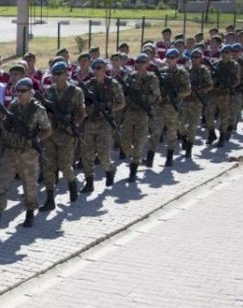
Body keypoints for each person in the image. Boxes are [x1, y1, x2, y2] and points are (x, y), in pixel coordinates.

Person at [0, 77, 52, 232]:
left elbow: (47, 130)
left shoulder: (38, 109)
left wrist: (35, 139)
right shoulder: (13, 106)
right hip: (10, 151)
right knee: (3, 184)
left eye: (24, 91)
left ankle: (30, 213)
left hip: (28, 153)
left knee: (29, 185)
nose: (20, 94)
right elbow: (4, 125)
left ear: (31, 92)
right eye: (18, 91)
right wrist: (7, 123)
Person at [39, 61, 85, 212]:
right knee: (48, 167)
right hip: (51, 134)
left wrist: (74, 126)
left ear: (67, 74)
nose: (57, 77)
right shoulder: (49, 92)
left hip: (66, 134)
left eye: (60, 74)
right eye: (55, 74)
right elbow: (43, 112)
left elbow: (81, 113)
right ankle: (50, 199)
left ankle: (72, 185)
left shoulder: (75, 91)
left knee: (65, 166)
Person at [79, 58, 125, 191]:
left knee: (103, 153)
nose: (97, 70)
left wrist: (109, 109)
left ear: (105, 69)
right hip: (90, 123)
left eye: (99, 68)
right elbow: (82, 104)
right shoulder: (88, 86)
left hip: (105, 123)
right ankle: (89, 182)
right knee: (86, 154)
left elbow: (121, 102)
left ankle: (109, 170)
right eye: (95, 68)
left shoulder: (113, 84)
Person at [119, 53, 160, 181]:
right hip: (130, 112)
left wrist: (144, 100)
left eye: (143, 62)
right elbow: (122, 93)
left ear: (147, 64)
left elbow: (157, 97)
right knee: (124, 143)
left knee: (138, 143)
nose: (140, 64)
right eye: (138, 62)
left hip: (143, 113)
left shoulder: (151, 78)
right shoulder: (130, 77)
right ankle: (137, 159)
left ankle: (134, 168)